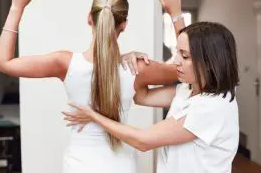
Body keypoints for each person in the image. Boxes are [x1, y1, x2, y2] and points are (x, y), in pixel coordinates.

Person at [0, 0, 185, 173]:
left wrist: (16, 7)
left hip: (80, 165)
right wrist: (176, 15)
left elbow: (3, 62)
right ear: (124, 25)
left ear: (89, 18)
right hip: (122, 166)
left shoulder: (65, 63)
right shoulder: (138, 68)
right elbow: (199, 69)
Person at [64, 21, 240, 173]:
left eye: (184, 56)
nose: (177, 61)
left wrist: (94, 116)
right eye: (178, 52)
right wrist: (130, 60)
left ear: (209, 62)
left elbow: (143, 141)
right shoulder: (187, 91)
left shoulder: (212, 108)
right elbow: (142, 96)